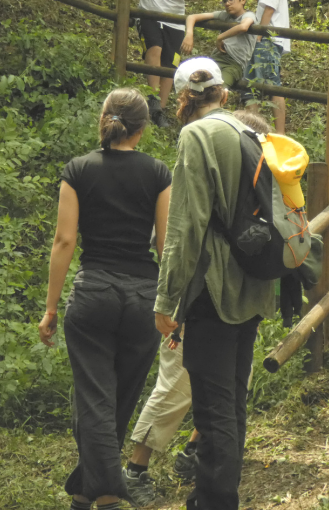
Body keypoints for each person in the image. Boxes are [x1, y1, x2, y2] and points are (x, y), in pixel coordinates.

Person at [122, 109, 272, 507]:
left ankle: (213, 501)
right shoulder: (254, 137)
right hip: (253, 286)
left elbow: (185, 227)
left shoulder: (199, 136)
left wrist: (167, 299)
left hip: (213, 291)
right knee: (232, 402)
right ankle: (218, 497)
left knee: (213, 406)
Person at [38, 88, 171, 510]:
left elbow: (64, 240)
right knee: (117, 400)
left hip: (93, 292)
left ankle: (94, 494)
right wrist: (171, 305)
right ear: (143, 128)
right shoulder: (158, 172)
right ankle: (100, 494)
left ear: (104, 120)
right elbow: (166, 245)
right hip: (143, 297)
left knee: (94, 398)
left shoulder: (78, 169)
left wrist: (51, 307)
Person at [181, 0, 257, 88]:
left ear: (243, 1)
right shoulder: (224, 15)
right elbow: (192, 17)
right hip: (216, 59)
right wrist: (189, 34)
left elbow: (243, 27)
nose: (227, 4)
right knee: (196, 86)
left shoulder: (248, 15)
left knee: (219, 91)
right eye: (225, 1)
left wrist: (220, 37)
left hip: (234, 64)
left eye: (231, 0)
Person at [135, 0, 186, 127]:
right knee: (154, 49)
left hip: (176, 19)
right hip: (150, 11)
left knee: (171, 63)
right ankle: (153, 99)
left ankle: (159, 110)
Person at [243, 0, 290, 134]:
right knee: (258, 83)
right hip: (270, 39)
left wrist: (259, 35)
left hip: (267, 39)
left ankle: (260, 131)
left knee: (266, 84)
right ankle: (255, 129)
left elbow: (269, 10)